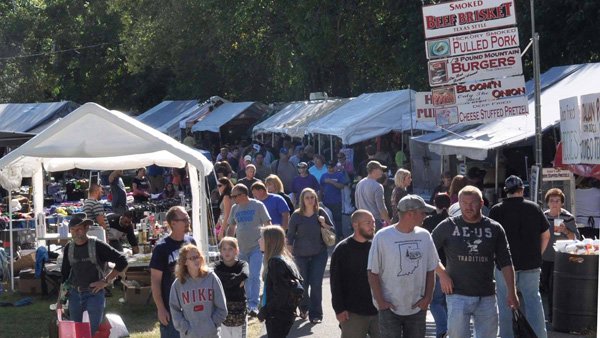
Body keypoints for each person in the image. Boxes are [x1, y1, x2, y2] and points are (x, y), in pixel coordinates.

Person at [432, 185, 519, 338]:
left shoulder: (494, 228)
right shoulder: (448, 225)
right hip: (457, 294)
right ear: (458, 203)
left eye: (472, 203)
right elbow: (427, 250)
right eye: (464, 203)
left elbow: (506, 261)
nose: (468, 207)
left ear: (481, 203)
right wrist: (442, 274)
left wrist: (511, 291)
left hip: (486, 294)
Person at [367, 195, 439, 338]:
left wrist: (427, 298)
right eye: (422, 212)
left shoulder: (425, 236)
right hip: (390, 307)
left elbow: (431, 269)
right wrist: (381, 301)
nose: (425, 216)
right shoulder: (382, 236)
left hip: (417, 307)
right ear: (410, 214)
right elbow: (372, 271)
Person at [489, 175, 550, 338]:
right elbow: (546, 235)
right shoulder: (534, 208)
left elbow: (491, 239)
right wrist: (538, 253)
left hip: (505, 266)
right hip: (531, 264)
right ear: (522, 189)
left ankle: (507, 336)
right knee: (533, 302)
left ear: (506, 192)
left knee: (505, 303)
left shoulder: (496, 210)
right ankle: (539, 336)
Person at [59, 213, 128, 335]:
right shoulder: (69, 248)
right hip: (74, 294)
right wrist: (60, 300)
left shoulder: (97, 245)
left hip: (94, 294)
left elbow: (122, 261)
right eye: (73, 230)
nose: (76, 233)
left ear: (86, 228)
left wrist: (105, 281)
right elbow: (65, 277)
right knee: (78, 333)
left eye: (79, 229)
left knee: (91, 332)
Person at [286, 188, 334, 324]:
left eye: (312, 197)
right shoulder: (296, 215)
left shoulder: (320, 212)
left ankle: (316, 314)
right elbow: (290, 237)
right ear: (302, 200)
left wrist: (323, 223)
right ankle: (304, 308)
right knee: (303, 284)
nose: (310, 200)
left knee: (316, 284)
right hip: (300, 255)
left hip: (319, 254)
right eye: (307, 198)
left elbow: (332, 231)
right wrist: (288, 256)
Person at [223, 184, 271, 316]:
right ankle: (248, 301)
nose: (232, 198)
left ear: (243, 195)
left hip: (256, 247)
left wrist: (269, 243)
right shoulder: (234, 208)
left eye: (234, 196)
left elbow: (268, 224)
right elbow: (232, 227)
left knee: (254, 275)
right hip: (241, 249)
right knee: (244, 276)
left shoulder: (258, 205)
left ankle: (253, 305)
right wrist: (227, 242)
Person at [330, 210, 379, 338]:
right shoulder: (342, 249)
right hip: (353, 313)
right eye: (368, 222)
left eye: (373, 222)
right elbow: (335, 283)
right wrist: (339, 309)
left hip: (379, 310)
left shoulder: (377, 246)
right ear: (355, 225)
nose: (372, 226)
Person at [150, 206, 197, 338]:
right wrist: (161, 308)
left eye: (188, 218)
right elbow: (155, 281)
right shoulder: (161, 248)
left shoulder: (191, 241)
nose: (188, 222)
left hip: (192, 305)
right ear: (173, 223)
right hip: (172, 309)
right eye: (184, 219)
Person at [169, 244, 228, 338]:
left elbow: (222, 308)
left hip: (211, 334)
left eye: (197, 256)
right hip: (189, 335)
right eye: (192, 258)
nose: (196, 260)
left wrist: (212, 325)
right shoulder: (179, 283)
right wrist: (186, 329)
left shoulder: (211, 278)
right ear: (185, 262)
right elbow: (174, 309)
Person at [541, 188, 579, 323]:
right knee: (543, 285)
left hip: (560, 258)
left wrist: (565, 230)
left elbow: (576, 239)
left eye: (557, 201)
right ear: (548, 203)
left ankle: (552, 317)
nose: (555, 203)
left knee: (553, 288)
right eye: (552, 201)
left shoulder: (568, 217)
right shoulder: (543, 216)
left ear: (562, 203)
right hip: (544, 256)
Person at [258, 225, 304, 337]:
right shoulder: (284, 260)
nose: (259, 241)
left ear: (270, 241)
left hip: (278, 315)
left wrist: (265, 311)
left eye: (262, 238)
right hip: (285, 314)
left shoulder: (276, 263)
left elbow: (281, 293)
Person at [421, 193, 451, 338]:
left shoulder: (428, 222)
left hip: (435, 267)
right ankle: (450, 329)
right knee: (447, 302)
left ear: (435, 203)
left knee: (436, 302)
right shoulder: (452, 222)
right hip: (451, 266)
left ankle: (443, 330)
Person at [213, 237, 249, 338]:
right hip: (222, 309)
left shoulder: (242, 264)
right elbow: (216, 275)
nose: (227, 252)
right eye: (224, 249)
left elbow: (245, 274)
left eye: (230, 249)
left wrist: (224, 282)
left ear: (236, 250)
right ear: (220, 251)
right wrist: (236, 280)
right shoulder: (216, 266)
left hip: (239, 309)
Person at [355, 161, 391, 231]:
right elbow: (381, 208)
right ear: (374, 170)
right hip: (374, 221)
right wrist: (389, 222)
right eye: (380, 169)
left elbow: (357, 204)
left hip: (362, 220)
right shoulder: (378, 186)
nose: (382, 172)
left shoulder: (359, 183)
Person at [321, 160, 349, 239]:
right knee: (326, 220)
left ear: (335, 167)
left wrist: (331, 181)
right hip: (326, 201)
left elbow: (342, 186)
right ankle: (328, 236)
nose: (330, 169)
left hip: (336, 201)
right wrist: (320, 200)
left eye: (332, 167)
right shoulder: (324, 176)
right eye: (329, 167)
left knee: (338, 219)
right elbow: (321, 189)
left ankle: (339, 234)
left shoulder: (339, 175)